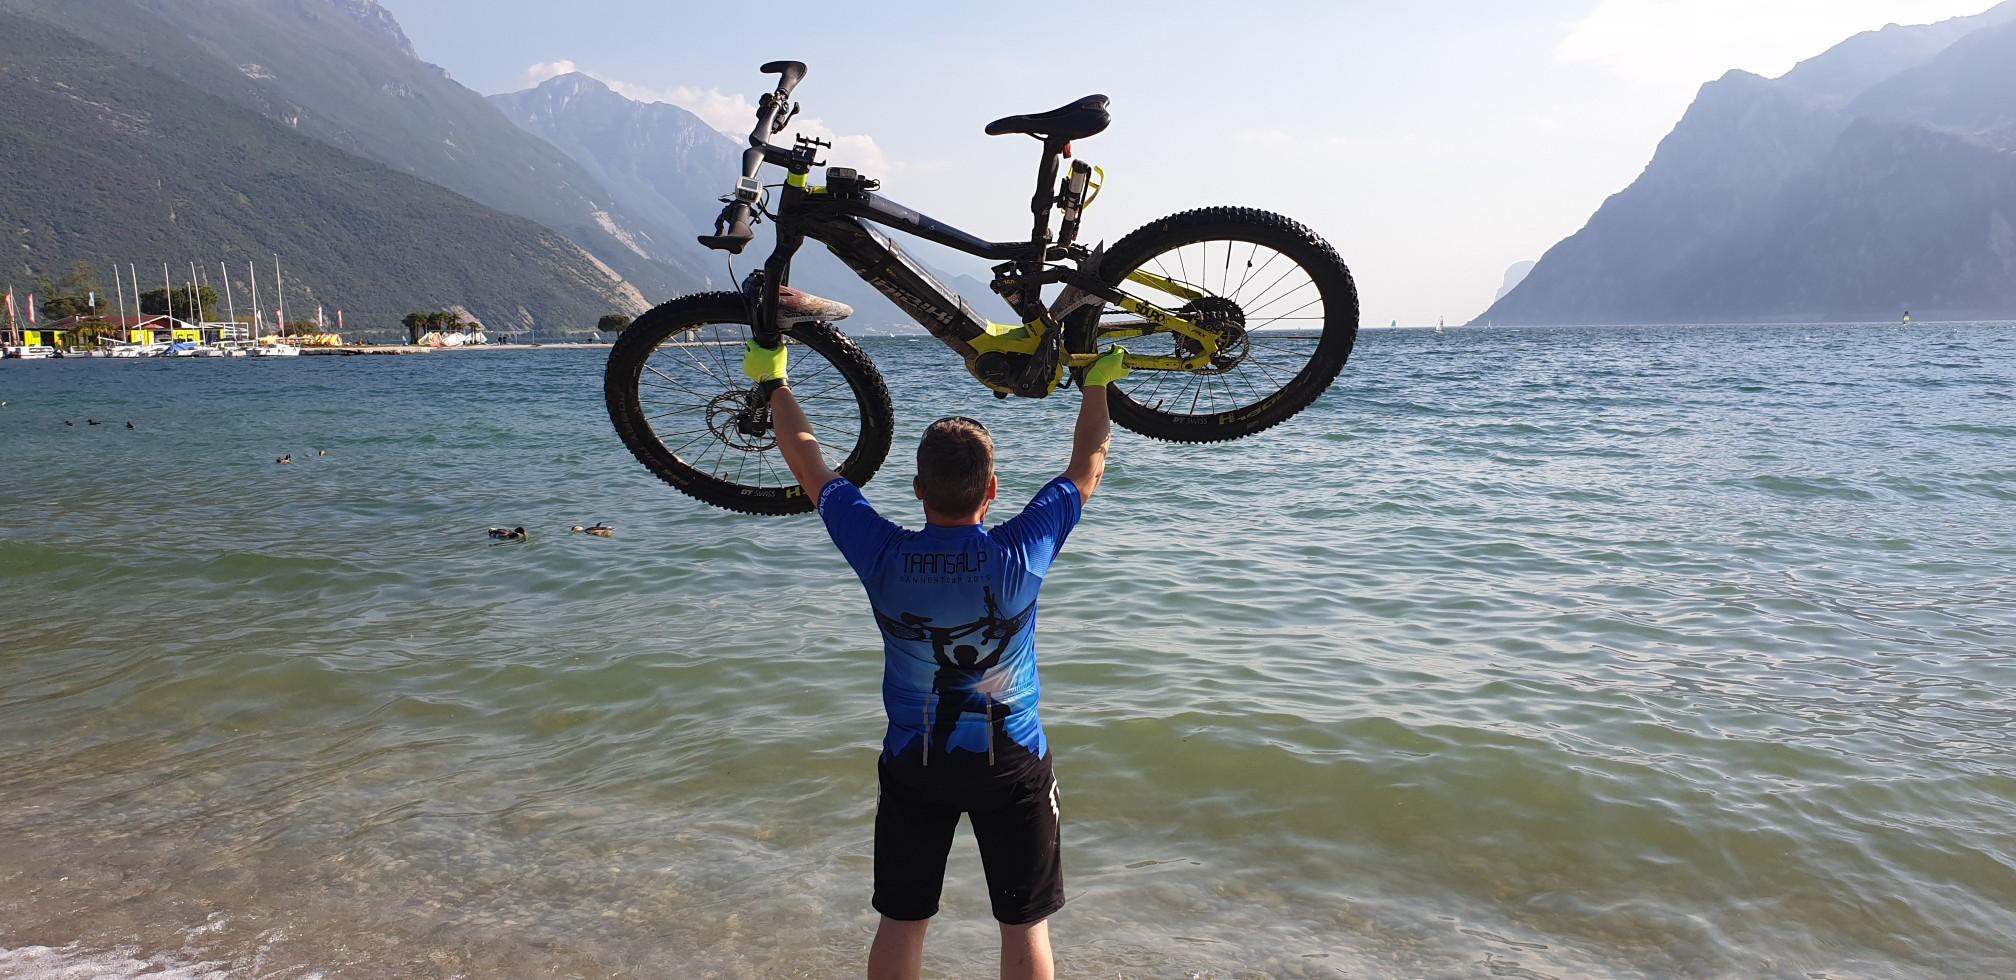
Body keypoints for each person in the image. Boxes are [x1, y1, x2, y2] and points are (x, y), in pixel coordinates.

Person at [743, 334, 1129, 980]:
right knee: (1024, 923)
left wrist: (775, 383)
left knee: (902, 919)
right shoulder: (1020, 552)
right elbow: (1088, 465)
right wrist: (1097, 384)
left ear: (918, 488)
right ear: (993, 489)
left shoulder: (882, 553)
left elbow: (810, 466)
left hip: (914, 765)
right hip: (1013, 765)